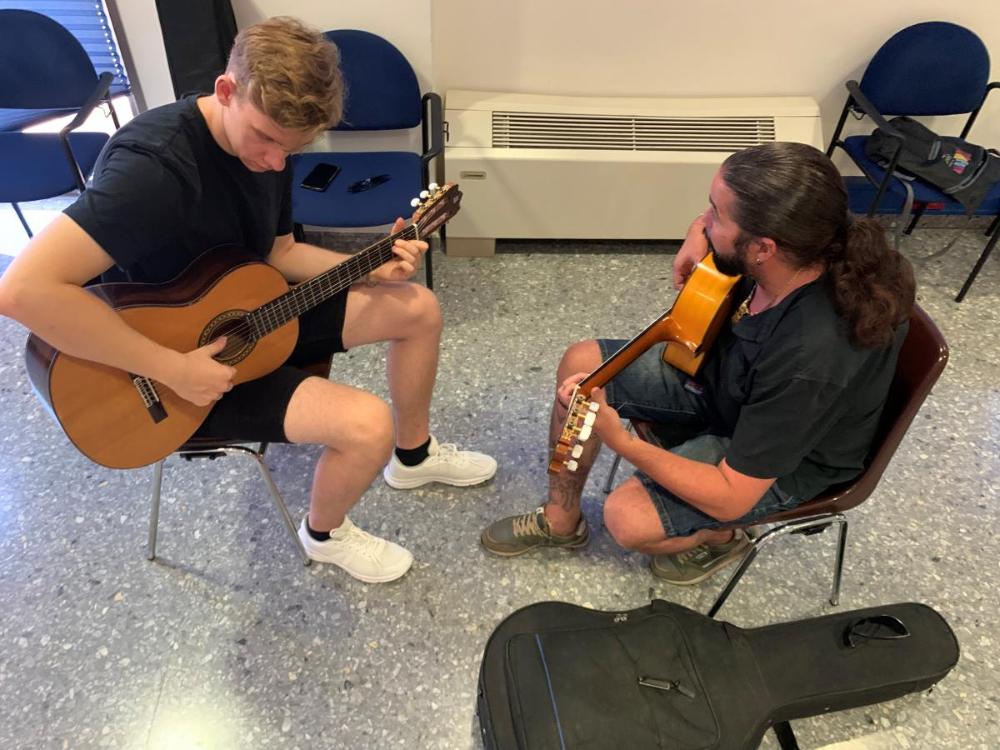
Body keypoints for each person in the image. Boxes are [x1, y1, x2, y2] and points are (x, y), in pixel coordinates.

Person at [0, 17, 496, 584]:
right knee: (365, 425)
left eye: (295, 148)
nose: (276, 163)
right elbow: (21, 291)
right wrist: (174, 368)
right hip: (161, 369)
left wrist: (366, 266)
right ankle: (324, 535)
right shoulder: (155, 170)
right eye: (265, 139)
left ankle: (413, 457)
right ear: (225, 91)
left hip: (249, 309)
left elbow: (278, 252)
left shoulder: (274, 146)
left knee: (417, 307)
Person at [481, 142, 915, 585]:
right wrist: (698, 233)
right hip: (731, 384)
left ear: (763, 248)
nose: (706, 221)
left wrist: (624, 442)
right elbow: (720, 234)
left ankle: (725, 539)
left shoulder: (809, 355)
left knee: (627, 518)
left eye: (716, 216)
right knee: (583, 362)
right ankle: (561, 519)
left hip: (786, 459)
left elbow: (731, 495)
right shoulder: (809, 242)